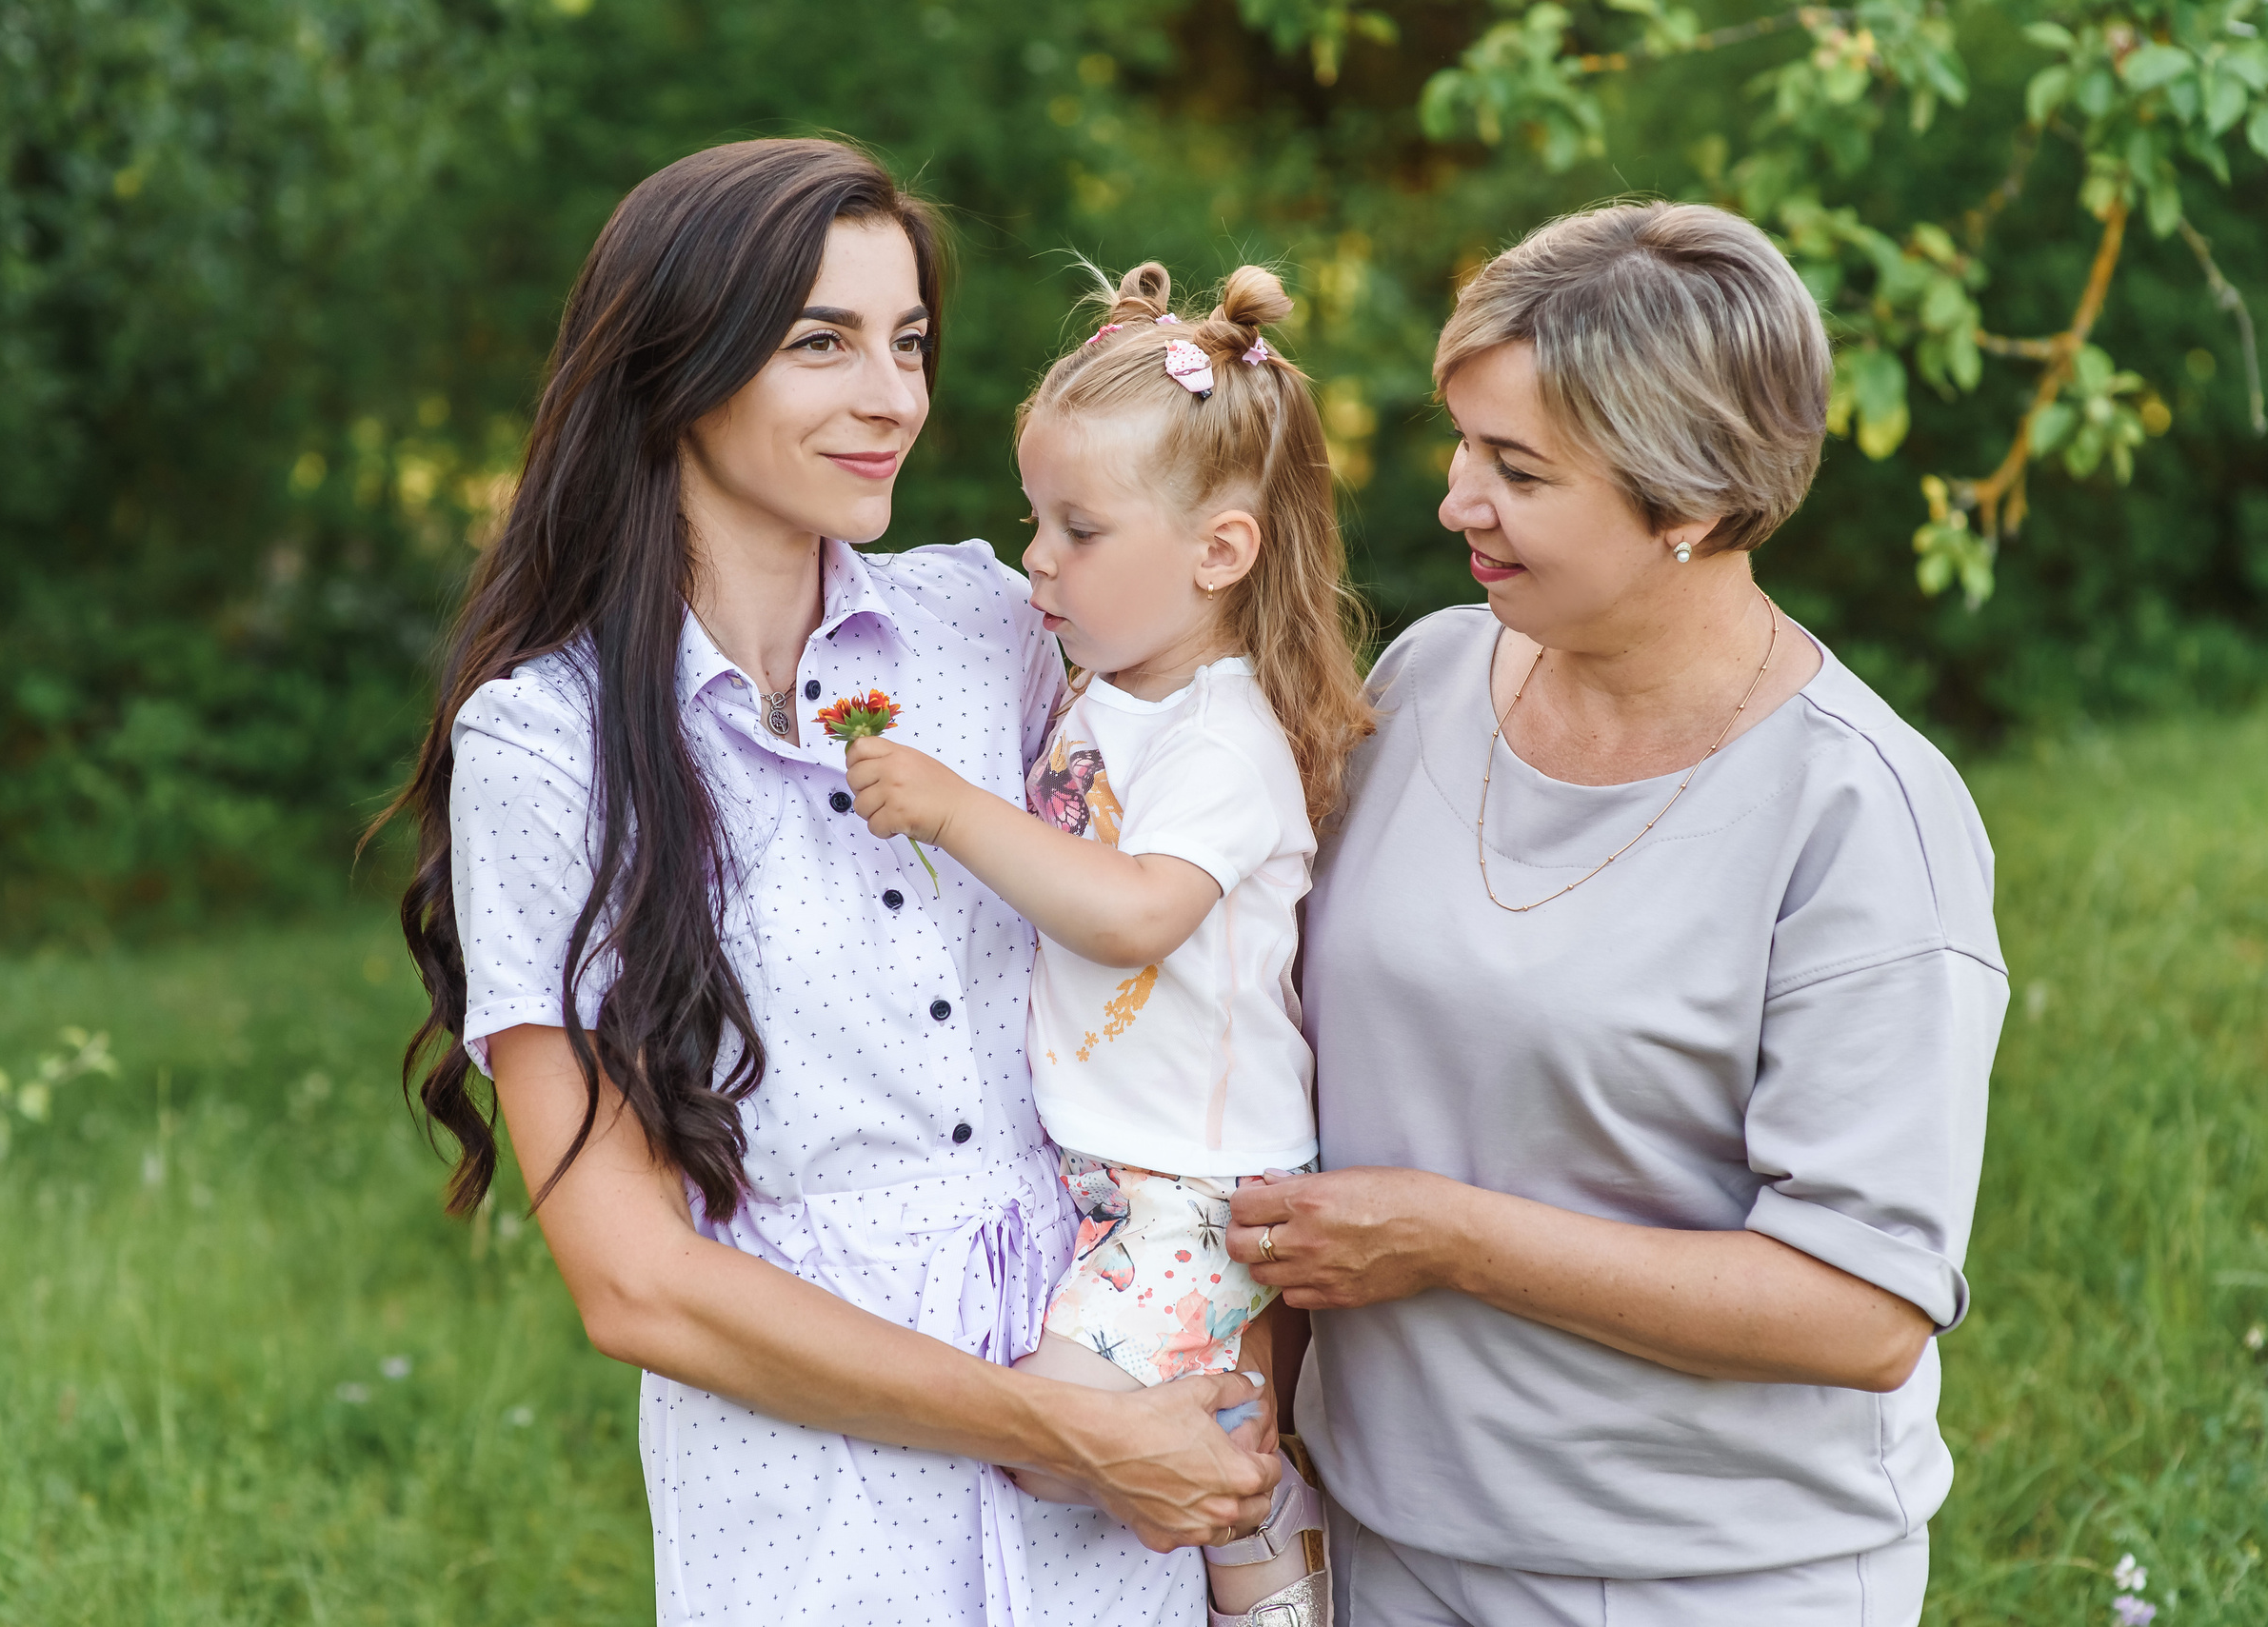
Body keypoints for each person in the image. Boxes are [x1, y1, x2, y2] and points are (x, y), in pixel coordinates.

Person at [382, 138, 1275, 1627]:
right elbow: (635, 1281)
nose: (894, 398)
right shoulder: (545, 740)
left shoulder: (996, 624)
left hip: (1125, 1455)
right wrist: (1064, 1430)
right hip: (823, 1520)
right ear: (680, 362)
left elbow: (1242, 851)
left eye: (911, 342)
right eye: (823, 343)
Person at [1228, 200, 2007, 1626]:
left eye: (1518, 468)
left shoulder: (1861, 815)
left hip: (1703, 1577)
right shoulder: (1425, 680)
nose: (1458, 497)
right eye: (1464, 442)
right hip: (1381, 1535)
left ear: (1693, 502)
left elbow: (1862, 1310)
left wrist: (1447, 1235)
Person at [839, 260, 1371, 1626]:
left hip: (1196, 1182)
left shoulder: (1224, 738)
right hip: (1098, 1165)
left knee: (1040, 1440)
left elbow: (1138, 908)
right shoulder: (1104, 693)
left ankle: (1268, 1515)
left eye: (1079, 528)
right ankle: (1247, 1477)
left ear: (1221, 552)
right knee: (1060, 1427)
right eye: (1035, 520)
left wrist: (953, 811)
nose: (1036, 559)